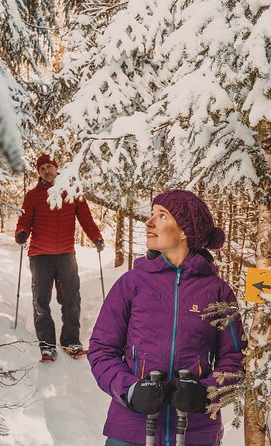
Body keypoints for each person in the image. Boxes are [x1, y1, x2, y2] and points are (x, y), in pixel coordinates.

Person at [88, 189, 246, 446]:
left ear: (184, 230)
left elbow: (234, 358)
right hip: (132, 430)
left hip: (196, 433)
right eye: (151, 215)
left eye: (162, 216)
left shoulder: (218, 291)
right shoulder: (132, 283)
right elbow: (101, 349)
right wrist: (129, 391)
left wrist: (206, 394)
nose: (149, 223)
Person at [15, 154, 105, 361]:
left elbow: (86, 219)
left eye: (50, 167)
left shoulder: (71, 193)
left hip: (66, 255)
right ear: (39, 172)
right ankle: (46, 344)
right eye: (42, 168)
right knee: (41, 300)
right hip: (40, 257)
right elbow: (25, 220)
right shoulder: (32, 196)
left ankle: (71, 340)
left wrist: (96, 237)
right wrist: (21, 233)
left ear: (57, 169)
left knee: (71, 297)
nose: (47, 171)